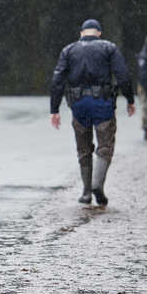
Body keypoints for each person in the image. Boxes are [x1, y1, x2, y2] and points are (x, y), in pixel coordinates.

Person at [50, 19, 136, 207]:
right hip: (102, 103)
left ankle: (87, 192)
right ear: (99, 33)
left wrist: (54, 109)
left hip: (78, 105)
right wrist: (130, 99)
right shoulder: (109, 48)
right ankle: (98, 185)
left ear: (81, 33)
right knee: (105, 146)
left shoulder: (69, 50)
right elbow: (123, 75)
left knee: (83, 149)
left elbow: (57, 80)